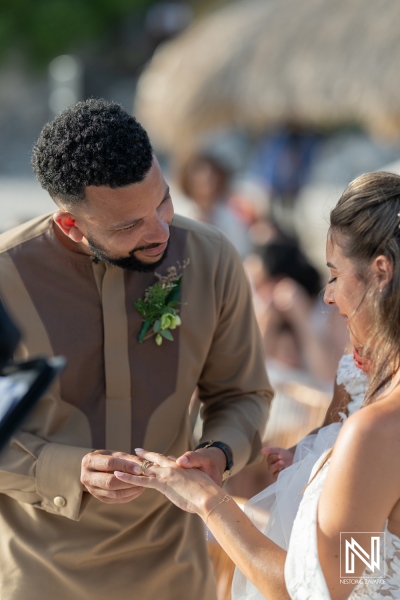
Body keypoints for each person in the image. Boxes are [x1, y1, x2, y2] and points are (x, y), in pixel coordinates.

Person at [0, 98, 272, 600]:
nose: (160, 230)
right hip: (38, 578)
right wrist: (67, 470)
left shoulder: (211, 258)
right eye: (128, 225)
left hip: (178, 575)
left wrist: (219, 453)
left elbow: (243, 394)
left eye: (163, 202)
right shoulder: (4, 277)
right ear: (70, 224)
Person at [114, 171, 400, 598]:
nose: (327, 295)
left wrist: (206, 500)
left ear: (381, 272)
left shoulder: (376, 429)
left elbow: (309, 592)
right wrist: (315, 474)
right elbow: (367, 567)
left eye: (336, 275)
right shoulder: (362, 377)